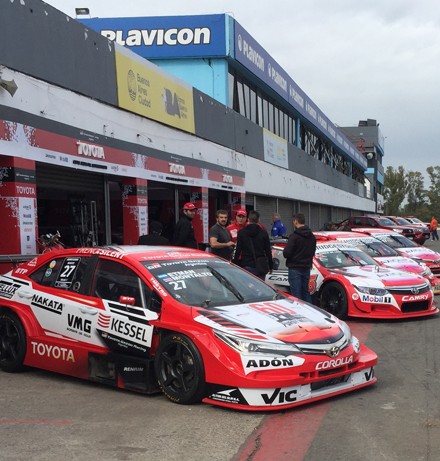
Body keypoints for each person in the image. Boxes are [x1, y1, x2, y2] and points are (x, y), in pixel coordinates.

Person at [283, 213, 316, 303]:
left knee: (296, 295)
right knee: (306, 292)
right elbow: (312, 251)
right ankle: (310, 313)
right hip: (306, 267)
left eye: (293, 221)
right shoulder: (312, 236)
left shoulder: (294, 236)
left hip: (295, 268)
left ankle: (300, 313)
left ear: (296, 221)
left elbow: (286, 253)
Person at [233, 210, 273, 280]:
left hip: (246, 263)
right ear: (258, 220)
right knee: (260, 287)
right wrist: (270, 266)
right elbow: (268, 251)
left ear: (248, 219)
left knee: (247, 288)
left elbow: (237, 250)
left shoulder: (241, 233)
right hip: (261, 265)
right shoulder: (263, 233)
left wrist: (235, 264)